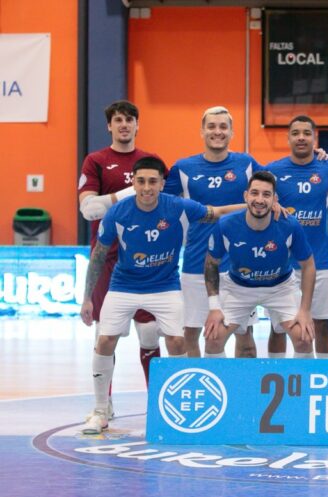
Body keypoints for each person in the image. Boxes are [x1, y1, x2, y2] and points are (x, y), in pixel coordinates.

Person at [79, 157, 243, 434]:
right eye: (140, 181)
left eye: (152, 181)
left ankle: (173, 407)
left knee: (177, 343)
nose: (146, 188)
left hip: (165, 287)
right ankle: (100, 410)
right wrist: (87, 298)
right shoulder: (118, 212)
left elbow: (216, 212)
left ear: (162, 183)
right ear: (134, 182)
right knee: (105, 340)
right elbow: (98, 256)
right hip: (124, 286)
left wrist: (253, 206)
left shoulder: (178, 206)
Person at [77, 100, 161, 410]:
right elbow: (89, 210)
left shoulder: (152, 160)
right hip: (108, 260)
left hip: (147, 262)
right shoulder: (95, 161)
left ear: (138, 125)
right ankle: (103, 405)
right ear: (109, 126)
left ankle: (157, 403)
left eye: (129, 119)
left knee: (150, 334)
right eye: (118, 120)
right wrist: (132, 192)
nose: (124, 124)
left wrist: (111, 199)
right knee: (105, 334)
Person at [164, 106, 259, 358]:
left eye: (223, 127)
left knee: (245, 337)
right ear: (202, 131)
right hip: (196, 264)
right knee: (191, 334)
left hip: (241, 266)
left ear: (231, 132)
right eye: (212, 126)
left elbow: (272, 193)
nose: (217, 132)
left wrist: (318, 156)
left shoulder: (247, 164)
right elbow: (158, 200)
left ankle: (242, 394)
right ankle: (202, 390)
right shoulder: (183, 168)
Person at [204, 171, 316, 358]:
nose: (260, 199)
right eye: (255, 193)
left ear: (275, 199)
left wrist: (305, 310)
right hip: (238, 288)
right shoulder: (226, 225)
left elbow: (309, 265)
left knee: (304, 337)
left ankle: (302, 387)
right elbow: (210, 264)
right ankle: (223, 387)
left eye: (266, 194)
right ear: (245, 196)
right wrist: (214, 307)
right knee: (213, 338)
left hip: (280, 287)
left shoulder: (289, 224)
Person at [264, 115, 328, 359]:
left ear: (314, 138)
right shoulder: (272, 170)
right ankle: (277, 375)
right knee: (278, 327)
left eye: (306, 133)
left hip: (320, 263)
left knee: (321, 325)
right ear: (288, 138)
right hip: (282, 265)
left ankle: (322, 381)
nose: (301, 137)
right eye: (296, 133)